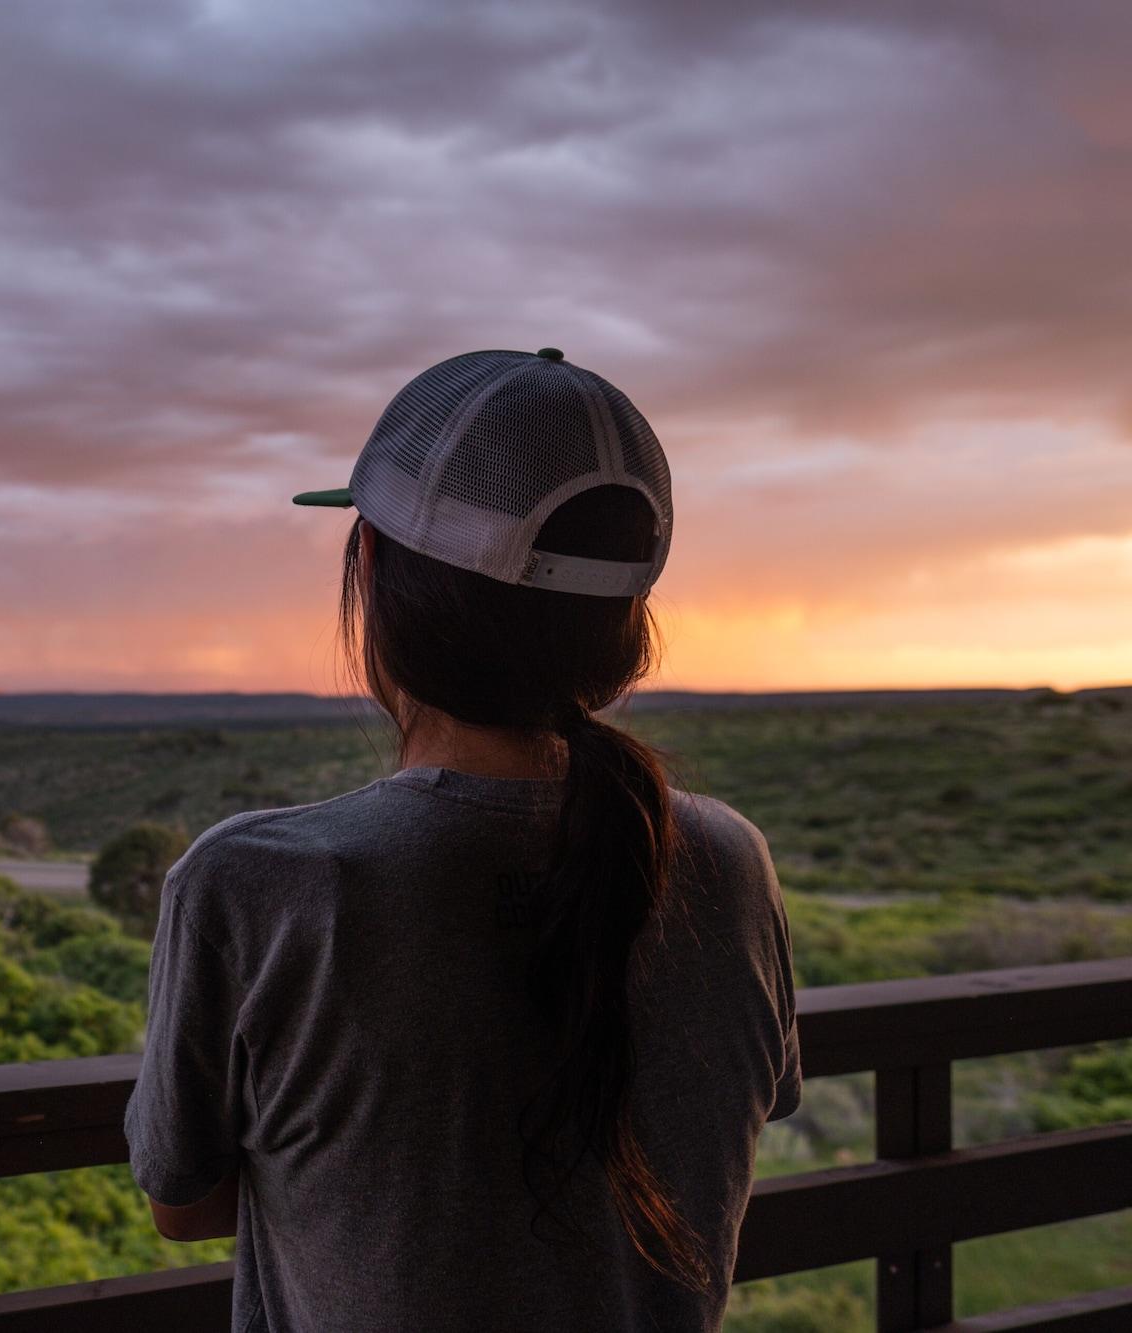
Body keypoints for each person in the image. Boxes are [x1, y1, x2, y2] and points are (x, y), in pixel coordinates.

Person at [122, 348, 802, 1332]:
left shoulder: (260, 883)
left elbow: (182, 1203)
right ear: (623, 617)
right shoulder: (726, 863)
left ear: (372, 578)